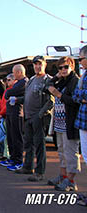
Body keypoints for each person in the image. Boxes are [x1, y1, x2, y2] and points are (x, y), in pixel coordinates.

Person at [16, 56, 54, 182]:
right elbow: (27, 97)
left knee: (39, 145)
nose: (37, 66)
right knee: (28, 144)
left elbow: (51, 101)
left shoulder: (47, 80)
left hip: (38, 118)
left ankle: (39, 172)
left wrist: (40, 115)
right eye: (35, 64)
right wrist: (17, 100)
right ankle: (28, 166)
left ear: (44, 64)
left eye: (40, 64)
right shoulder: (32, 79)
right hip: (28, 117)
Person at [47, 56, 80, 191]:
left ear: (72, 66)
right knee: (61, 150)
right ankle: (63, 175)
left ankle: (71, 180)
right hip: (59, 122)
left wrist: (59, 95)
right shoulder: (62, 81)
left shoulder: (75, 81)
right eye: (60, 68)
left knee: (70, 151)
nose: (63, 70)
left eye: (66, 67)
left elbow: (75, 101)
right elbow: (46, 86)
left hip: (69, 122)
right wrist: (55, 77)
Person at [2, 64, 28, 171]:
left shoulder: (24, 82)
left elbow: (9, 93)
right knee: (11, 136)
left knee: (17, 137)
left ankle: (18, 160)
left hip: (17, 113)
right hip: (10, 112)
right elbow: (8, 93)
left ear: (19, 72)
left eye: (14, 73)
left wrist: (10, 93)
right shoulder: (18, 83)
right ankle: (13, 158)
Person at [72, 45, 87, 206]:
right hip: (83, 121)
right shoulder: (84, 76)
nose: (80, 62)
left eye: (81, 59)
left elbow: (80, 94)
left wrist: (81, 95)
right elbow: (77, 95)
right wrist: (81, 96)